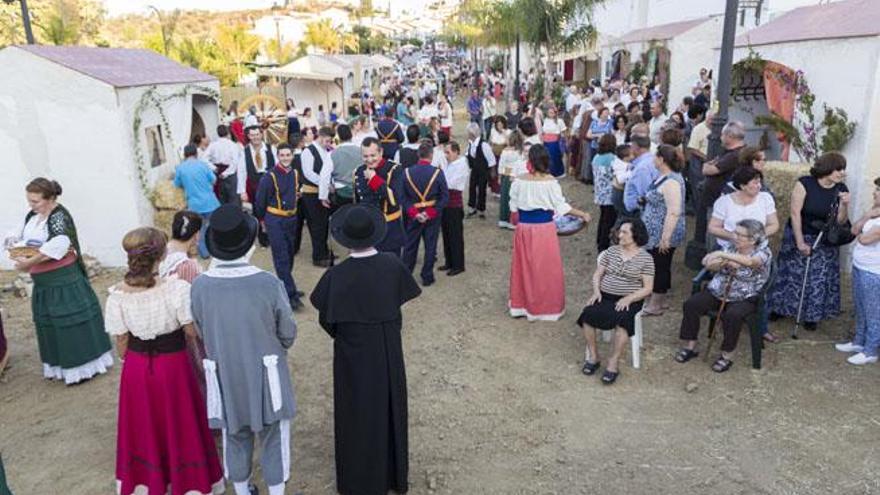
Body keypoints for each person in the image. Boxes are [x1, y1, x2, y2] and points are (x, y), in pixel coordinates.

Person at [310, 204, 421, 495]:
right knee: (389, 407)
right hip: (387, 350)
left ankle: (358, 481)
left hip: (351, 353)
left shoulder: (336, 277)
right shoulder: (392, 265)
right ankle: (393, 476)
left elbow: (327, 319)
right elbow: (399, 301)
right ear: (375, 234)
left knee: (355, 413)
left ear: (345, 238)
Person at [105, 227, 223, 495]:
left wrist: (130, 360)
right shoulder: (177, 290)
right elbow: (191, 331)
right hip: (173, 366)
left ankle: (149, 481)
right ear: (161, 256)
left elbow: (121, 340)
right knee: (181, 421)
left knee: (143, 424)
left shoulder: (117, 296)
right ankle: (189, 482)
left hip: (136, 367)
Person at [191, 205, 297, 495]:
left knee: (234, 431)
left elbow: (199, 328)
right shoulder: (268, 283)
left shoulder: (200, 286)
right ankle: (276, 492)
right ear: (249, 242)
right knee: (273, 433)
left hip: (224, 367)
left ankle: (241, 489)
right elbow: (287, 330)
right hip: (267, 368)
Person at [6, 178, 113, 384]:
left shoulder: (59, 217)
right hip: (43, 283)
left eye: (35, 201)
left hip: (63, 282)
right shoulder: (33, 215)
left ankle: (83, 366)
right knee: (50, 325)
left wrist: (29, 263)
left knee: (71, 322)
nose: (31, 205)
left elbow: (58, 245)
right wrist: (15, 249)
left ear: (50, 198)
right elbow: (16, 234)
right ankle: (60, 367)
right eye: (29, 200)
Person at [767, 152, 850, 330]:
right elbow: (795, 213)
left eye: (843, 169)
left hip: (824, 238)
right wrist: (799, 242)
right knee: (791, 273)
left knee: (818, 277)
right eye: (839, 169)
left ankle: (812, 315)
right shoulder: (805, 183)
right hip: (800, 232)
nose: (842, 173)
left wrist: (844, 205)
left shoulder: (841, 188)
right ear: (828, 168)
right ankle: (780, 308)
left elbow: (841, 222)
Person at [675, 219, 772, 373]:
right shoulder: (730, 247)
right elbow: (707, 262)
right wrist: (718, 263)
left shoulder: (763, 252)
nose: (735, 237)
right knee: (691, 304)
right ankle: (690, 346)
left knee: (733, 315)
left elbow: (751, 262)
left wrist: (724, 255)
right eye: (735, 233)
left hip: (746, 296)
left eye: (740, 235)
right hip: (719, 290)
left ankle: (727, 355)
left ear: (753, 239)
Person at [508, 145, 592, 321]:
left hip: (524, 229)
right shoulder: (551, 182)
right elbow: (562, 207)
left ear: (530, 160)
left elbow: (513, 208)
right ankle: (546, 308)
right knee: (545, 269)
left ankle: (522, 305)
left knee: (525, 267)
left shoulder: (518, 181)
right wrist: (582, 214)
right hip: (544, 230)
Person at [577, 219, 654, 385]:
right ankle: (594, 356)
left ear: (636, 235)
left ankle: (613, 362)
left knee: (623, 321)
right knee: (587, 314)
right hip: (605, 296)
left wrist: (629, 298)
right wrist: (596, 291)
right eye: (620, 231)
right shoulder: (610, 252)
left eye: (625, 232)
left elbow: (648, 288)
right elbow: (598, 275)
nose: (620, 235)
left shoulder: (646, 259)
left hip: (630, 299)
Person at [254, 143, 306, 310]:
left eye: (288, 155)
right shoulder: (269, 176)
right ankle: (290, 295)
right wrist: (262, 221)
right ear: (278, 156)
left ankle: (286, 286)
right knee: (282, 257)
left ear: (292, 156)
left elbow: (294, 192)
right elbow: (260, 202)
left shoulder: (295, 173)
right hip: (275, 220)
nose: (285, 158)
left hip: (291, 218)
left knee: (290, 254)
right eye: (282, 155)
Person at [837, 177, 880, 365]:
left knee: (873, 312)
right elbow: (854, 230)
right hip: (860, 266)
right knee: (860, 308)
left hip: (874, 271)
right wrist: (868, 216)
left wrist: (864, 225)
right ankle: (858, 342)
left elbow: (864, 240)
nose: (874, 192)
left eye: (878, 190)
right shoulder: (873, 213)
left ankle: (870, 350)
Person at [640, 144, 686, 315]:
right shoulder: (663, 176)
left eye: (655, 156)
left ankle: (656, 305)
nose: (653, 159)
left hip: (663, 232)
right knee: (658, 265)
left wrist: (665, 238)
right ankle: (660, 298)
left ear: (661, 160)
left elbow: (674, 211)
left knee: (659, 266)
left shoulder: (672, 181)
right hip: (654, 231)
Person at [401, 141, 449, 286]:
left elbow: (402, 197)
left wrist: (415, 213)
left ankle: (406, 276)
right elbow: (444, 197)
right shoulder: (437, 172)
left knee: (410, 246)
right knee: (430, 246)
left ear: (418, 155)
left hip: (413, 215)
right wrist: (430, 213)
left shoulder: (407, 172)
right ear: (431, 155)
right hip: (432, 216)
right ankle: (427, 276)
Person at [354, 137, 406, 257]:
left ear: (381, 152)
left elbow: (395, 200)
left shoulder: (395, 169)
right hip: (368, 230)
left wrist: (374, 180)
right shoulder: (358, 172)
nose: (369, 160)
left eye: (373, 155)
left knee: (391, 270)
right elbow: (357, 202)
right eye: (365, 156)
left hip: (389, 230)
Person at [174, 144, 220, 258]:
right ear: (196, 153)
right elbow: (214, 180)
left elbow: (177, 184)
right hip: (210, 202)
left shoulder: (180, 168)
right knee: (214, 226)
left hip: (194, 205)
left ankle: (204, 253)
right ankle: (218, 249)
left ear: (184, 155)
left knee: (199, 230)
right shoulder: (202, 165)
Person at [300, 127, 336, 267]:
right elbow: (308, 173)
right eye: (327, 140)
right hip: (311, 193)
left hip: (323, 192)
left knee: (324, 224)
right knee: (316, 226)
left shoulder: (327, 151)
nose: (328, 143)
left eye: (330, 141)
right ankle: (318, 256)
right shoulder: (308, 151)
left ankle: (324, 251)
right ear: (320, 136)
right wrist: (325, 183)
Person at [440, 141, 468, 276]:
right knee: (446, 234)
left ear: (456, 152)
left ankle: (458, 264)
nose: (446, 155)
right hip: (445, 204)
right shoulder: (449, 164)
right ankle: (449, 261)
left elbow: (451, 183)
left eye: (448, 152)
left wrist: (441, 182)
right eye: (445, 152)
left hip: (454, 205)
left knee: (455, 235)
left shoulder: (462, 165)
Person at [205, 124, 245, 206]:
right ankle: (235, 217)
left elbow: (204, 159)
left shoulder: (213, 145)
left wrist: (213, 168)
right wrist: (226, 173)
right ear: (227, 133)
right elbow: (235, 162)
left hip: (218, 172)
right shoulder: (233, 145)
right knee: (233, 199)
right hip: (230, 173)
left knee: (221, 198)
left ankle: (222, 217)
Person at [592, 133, 618, 252]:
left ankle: (600, 240)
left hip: (600, 193)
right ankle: (603, 245)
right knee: (609, 221)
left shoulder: (596, 157)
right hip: (610, 195)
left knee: (603, 218)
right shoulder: (613, 159)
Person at [465, 122, 497, 219]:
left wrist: (492, 171)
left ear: (472, 134)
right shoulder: (470, 144)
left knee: (482, 189)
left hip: (483, 170)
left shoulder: (484, 145)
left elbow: (491, 160)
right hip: (474, 170)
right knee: (472, 187)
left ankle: (481, 209)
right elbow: (467, 156)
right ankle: (472, 207)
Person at [498, 132, 528, 229]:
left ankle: (504, 219)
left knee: (505, 198)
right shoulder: (522, 152)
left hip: (507, 176)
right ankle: (514, 220)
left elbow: (501, 165)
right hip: (518, 177)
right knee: (515, 198)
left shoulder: (506, 151)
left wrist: (500, 176)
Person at [622, 135, 657, 215]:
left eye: (631, 146)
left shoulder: (642, 168)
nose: (630, 149)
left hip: (638, 212)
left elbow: (645, 193)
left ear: (636, 147)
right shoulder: (650, 160)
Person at [331, 124, 361, 206]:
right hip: (359, 189)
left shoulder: (333, 153)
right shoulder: (360, 150)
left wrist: (323, 196)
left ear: (339, 136)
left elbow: (325, 175)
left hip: (341, 191)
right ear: (351, 134)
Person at [541, 106, 567, 177]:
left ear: (555, 113)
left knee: (555, 157)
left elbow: (564, 131)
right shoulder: (545, 120)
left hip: (555, 142)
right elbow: (543, 131)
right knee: (547, 157)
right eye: (549, 112)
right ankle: (549, 172)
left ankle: (559, 172)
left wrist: (563, 140)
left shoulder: (559, 121)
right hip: (546, 142)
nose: (551, 114)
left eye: (552, 112)